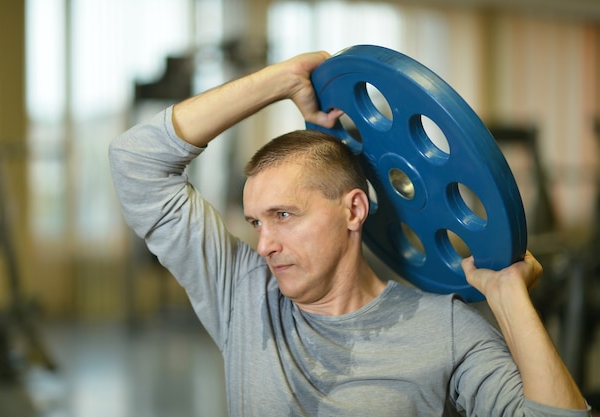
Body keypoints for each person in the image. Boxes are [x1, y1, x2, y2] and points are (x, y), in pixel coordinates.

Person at [109, 50, 591, 416]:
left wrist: (508, 297)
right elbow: (135, 162)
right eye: (256, 221)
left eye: (284, 215)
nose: (264, 244)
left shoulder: (445, 328)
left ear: (354, 210)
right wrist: (281, 80)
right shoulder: (243, 292)